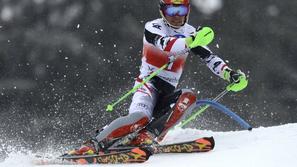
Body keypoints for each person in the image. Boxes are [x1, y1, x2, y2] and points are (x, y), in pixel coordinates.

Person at [69, 0, 248, 155]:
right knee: (140, 118)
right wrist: (191, 40)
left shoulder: (190, 32)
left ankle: (147, 136)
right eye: (172, 11)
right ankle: (93, 143)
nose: (177, 16)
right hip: (147, 86)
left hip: (167, 92)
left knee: (189, 97)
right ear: (162, 11)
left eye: (182, 11)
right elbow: (167, 45)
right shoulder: (153, 27)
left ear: (188, 11)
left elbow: (209, 58)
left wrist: (229, 74)